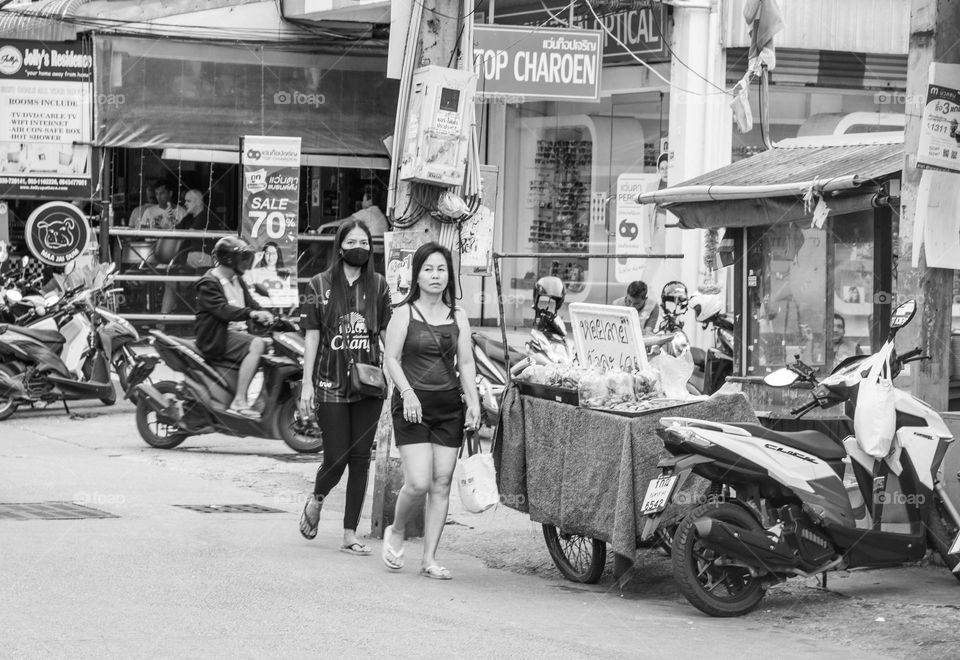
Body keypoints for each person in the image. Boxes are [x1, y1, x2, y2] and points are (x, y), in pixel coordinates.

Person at [379, 242, 481, 580]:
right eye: (428, 269)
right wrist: (406, 392)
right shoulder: (404, 313)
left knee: (441, 483)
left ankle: (429, 559)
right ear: (417, 275)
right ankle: (396, 530)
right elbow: (390, 359)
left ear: (449, 275)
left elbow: (465, 363)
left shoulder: (458, 317)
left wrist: (474, 402)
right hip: (411, 407)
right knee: (419, 482)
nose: (435, 276)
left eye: (441, 269)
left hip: (448, 407)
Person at [298, 220, 392, 555]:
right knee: (336, 458)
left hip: (368, 385)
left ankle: (350, 532)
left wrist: (399, 377)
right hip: (329, 382)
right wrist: (306, 384)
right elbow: (311, 336)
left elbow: (385, 335)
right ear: (340, 247)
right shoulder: (317, 284)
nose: (359, 248)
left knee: (360, 459)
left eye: (365, 243)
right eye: (353, 242)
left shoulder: (379, 286)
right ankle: (318, 496)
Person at [194, 236, 275, 418]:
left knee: (271, 347)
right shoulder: (208, 283)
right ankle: (239, 400)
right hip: (216, 338)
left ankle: (261, 401)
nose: (246, 263)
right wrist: (252, 314)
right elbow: (224, 310)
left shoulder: (237, 280)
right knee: (256, 344)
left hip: (235, 336)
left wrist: (269, 315)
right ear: (229, 259)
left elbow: (252, 304)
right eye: (243, 258)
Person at [161, 189, 223, 314]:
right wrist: (169, 219)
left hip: (206, 263)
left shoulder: (206, 215)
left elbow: (188, 234)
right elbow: (175, 232)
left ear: (198, 202)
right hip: (188, 261)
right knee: (170, 281)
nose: (185, 204)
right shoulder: (189, 217)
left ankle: (165, 319)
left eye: (188, 201)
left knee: (184, 261)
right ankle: (163, 321)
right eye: (185, 201)